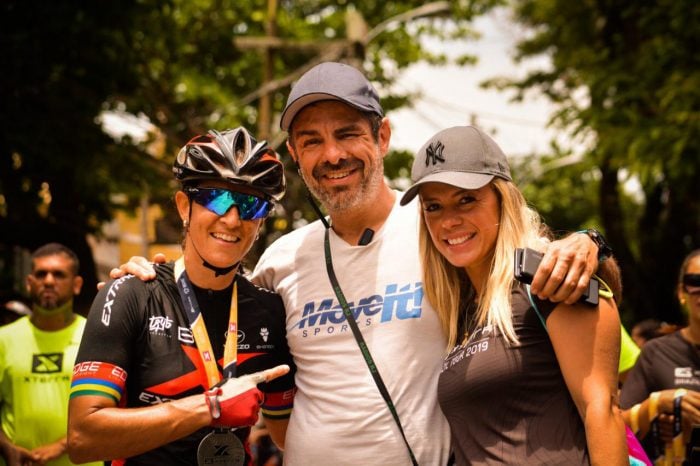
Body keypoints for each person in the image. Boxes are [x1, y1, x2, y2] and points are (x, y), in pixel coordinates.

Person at [115, 62, 609, 465]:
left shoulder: (439, 225)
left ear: (383, 136)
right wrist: (149, 277)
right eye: (311, 140)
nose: (332, 154)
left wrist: (590, 244)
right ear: (295, 153)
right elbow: (206, 297)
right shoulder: (279, 259)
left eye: (347, 134)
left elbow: (535, 274)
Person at [398, 125, 627, 465]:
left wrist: (590, 240)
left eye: (466, 199)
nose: (449, 222)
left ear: (502, 200)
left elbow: (602, 410)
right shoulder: (459, 311)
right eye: (434, 207)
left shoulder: (547, 280)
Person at [66, 127, 296, 466]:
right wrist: (211, 407)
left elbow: (289, 434)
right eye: (217, 198)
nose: (232, 219)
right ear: (183, 206)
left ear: (261, 222)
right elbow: (83, 437)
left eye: (250, 204)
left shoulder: (270, 313)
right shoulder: (130, 294)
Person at [0, 243, 101, 466]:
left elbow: (112, 408)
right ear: (29, 283)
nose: (48, 281)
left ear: (77, 285)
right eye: (40, 274)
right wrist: (7, 448)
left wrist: (61, 446)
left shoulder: (96, 337)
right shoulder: (4, 339)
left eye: (58, 274)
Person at [620, 249, 700, 464]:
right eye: (695, 281)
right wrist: (657, 405)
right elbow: (617, 426)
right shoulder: (656, 353)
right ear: (682, 292)